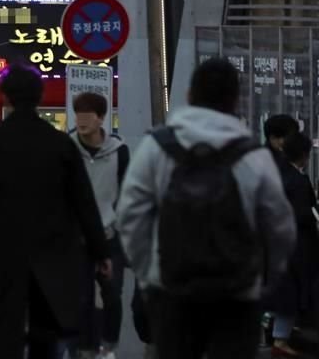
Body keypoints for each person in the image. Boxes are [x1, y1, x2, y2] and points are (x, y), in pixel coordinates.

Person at [116, 58, 296, 359]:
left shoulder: (156, 147)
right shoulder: (254, 155)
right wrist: (263, 279)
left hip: (172, 288)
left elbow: (131, 217)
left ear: (189, 96)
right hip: (236, 292)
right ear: (235, 99)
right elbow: (280, 227)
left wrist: (149, 275)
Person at [0, 65, 110, 359]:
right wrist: (99, 250)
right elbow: (83, 201)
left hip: (2, 254)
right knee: (46, 339)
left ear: (4, 98)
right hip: (52, 256)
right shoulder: (60, 144)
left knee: (2, 337)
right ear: (40, 97)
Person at [67, 92, 130, 359]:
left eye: (87, 116)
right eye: (78, 115)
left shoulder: (119, 151)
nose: (81, 121)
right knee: (80, 297)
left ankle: (109, 345)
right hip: (76, 236)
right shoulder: (67, 147)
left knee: (113, 294)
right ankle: (84, 348)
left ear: (102, 118)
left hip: (109, 233)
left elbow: (127, 192)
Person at [265, 131, 318, 358]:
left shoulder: (277, 174)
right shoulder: (297, 180)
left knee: (286, 294)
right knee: (294, 293)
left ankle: (280, 337)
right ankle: (281, 340)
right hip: (297, 246)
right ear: (304, 155)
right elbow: (302, 214)